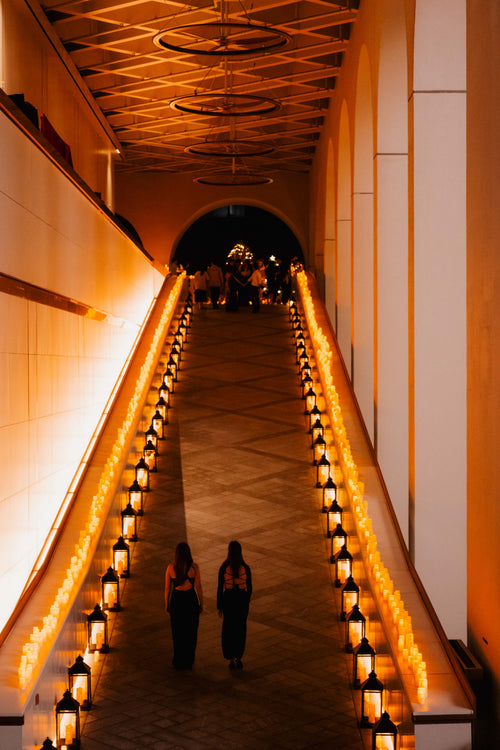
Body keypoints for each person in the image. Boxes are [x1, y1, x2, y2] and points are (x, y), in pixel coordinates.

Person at [165, 542, 203, 670]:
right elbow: (198, 587)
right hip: (190, 600)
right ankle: (189, 659)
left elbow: (167, 589)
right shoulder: (194, 568)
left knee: (177, 632)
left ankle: (179, 659)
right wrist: (201, 603)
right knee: (191, 631)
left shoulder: (171, 568)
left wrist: (167, 604)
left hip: (177, 601)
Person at [217, 541, 252, 669]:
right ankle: (238, 656)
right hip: (241, 600)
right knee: (240, 630)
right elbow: (250, 588)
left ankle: (231, 658)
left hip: (229, 600)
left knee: (229, 630)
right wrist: (246, 601)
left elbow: (220, 588)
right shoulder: (245, 568)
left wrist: (219, 606)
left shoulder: (224, 568)